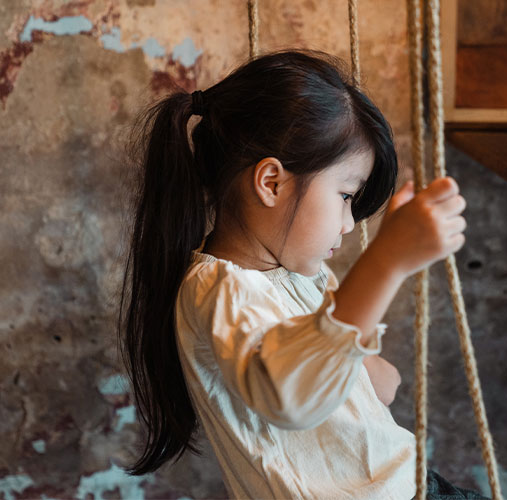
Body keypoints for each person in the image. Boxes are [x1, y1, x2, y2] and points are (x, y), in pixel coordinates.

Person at [119, 48, 486, 500]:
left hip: (414, 485)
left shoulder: (304, 279)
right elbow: (290, 398)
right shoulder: (220, 294)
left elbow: (384, 387)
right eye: (346, 194)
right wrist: (387, 260)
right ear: (271, 183)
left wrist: (349, 339)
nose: (349, 223)